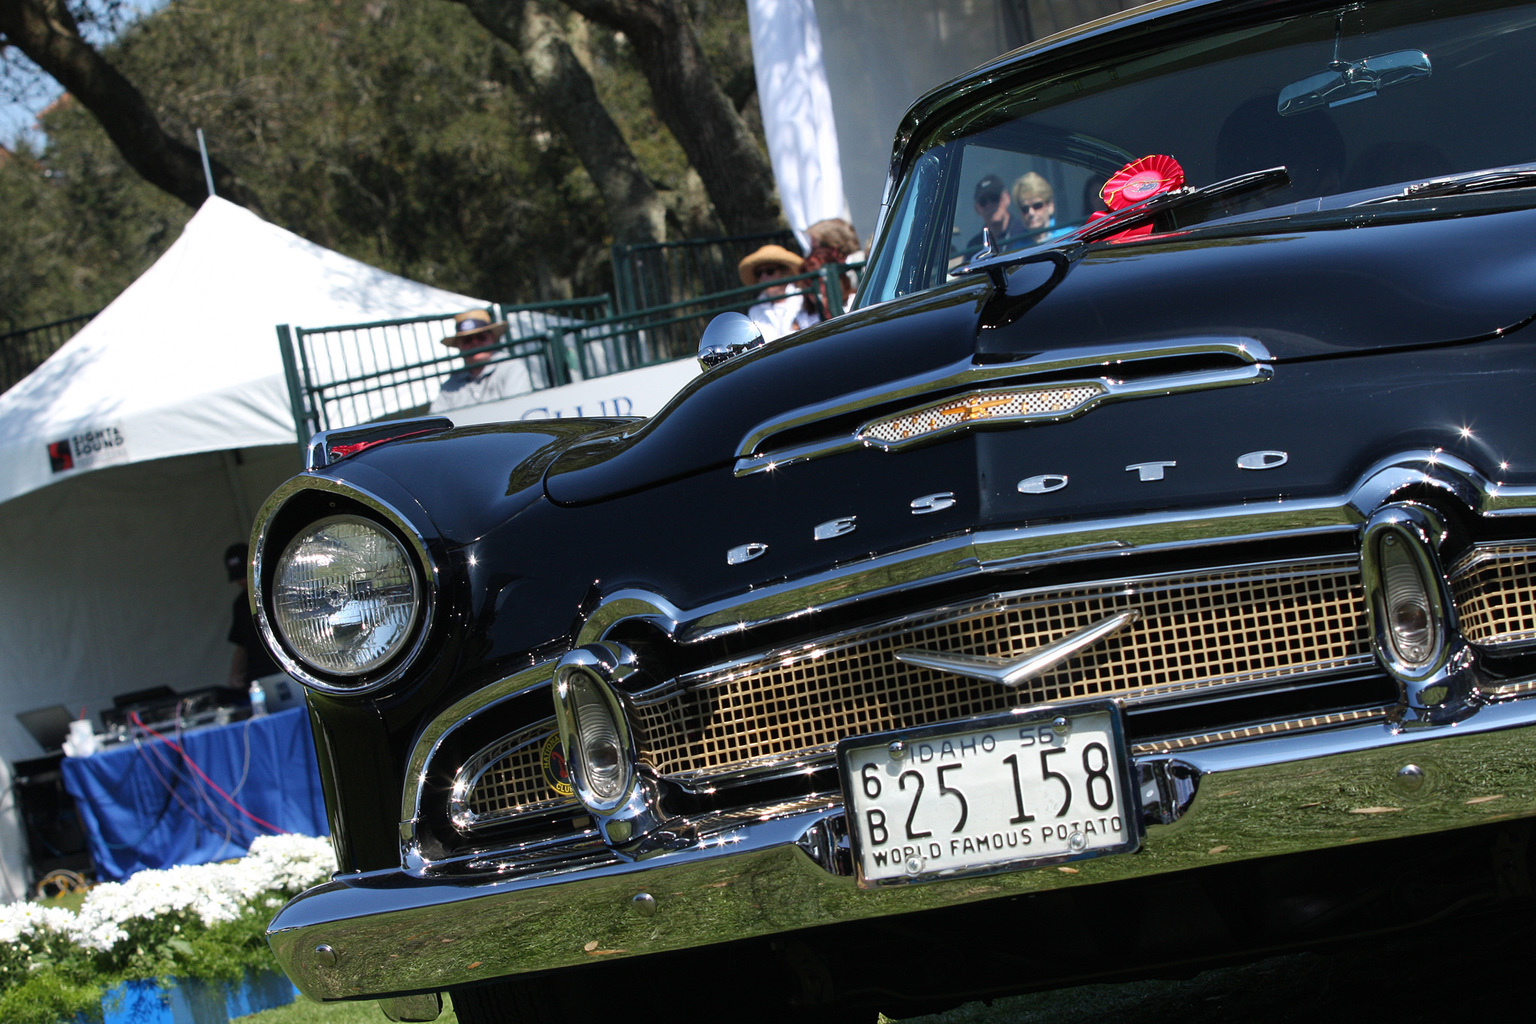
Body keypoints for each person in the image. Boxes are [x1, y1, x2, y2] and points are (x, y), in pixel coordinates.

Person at [430, 309, 523, 413]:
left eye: (481, 337)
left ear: (492, 338)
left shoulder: (510, 365)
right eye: (467, 340)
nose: (475, 343)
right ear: (458, 345)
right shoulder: (450, 386)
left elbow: (516, 411)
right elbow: (436, 418)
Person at [225, 543, 280, 688]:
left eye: (243, 574)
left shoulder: (276, 592)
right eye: (237, 577)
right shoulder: (240, 604)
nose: (242, 581)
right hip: (258, 678)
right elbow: (241, 644)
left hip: (284, 669)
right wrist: (234, 676)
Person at [738, 244, 819, 341]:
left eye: (770, 271)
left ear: (785, 273)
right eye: (759, 273)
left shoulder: (805, 299)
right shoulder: (755, 312)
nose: (764, 277)